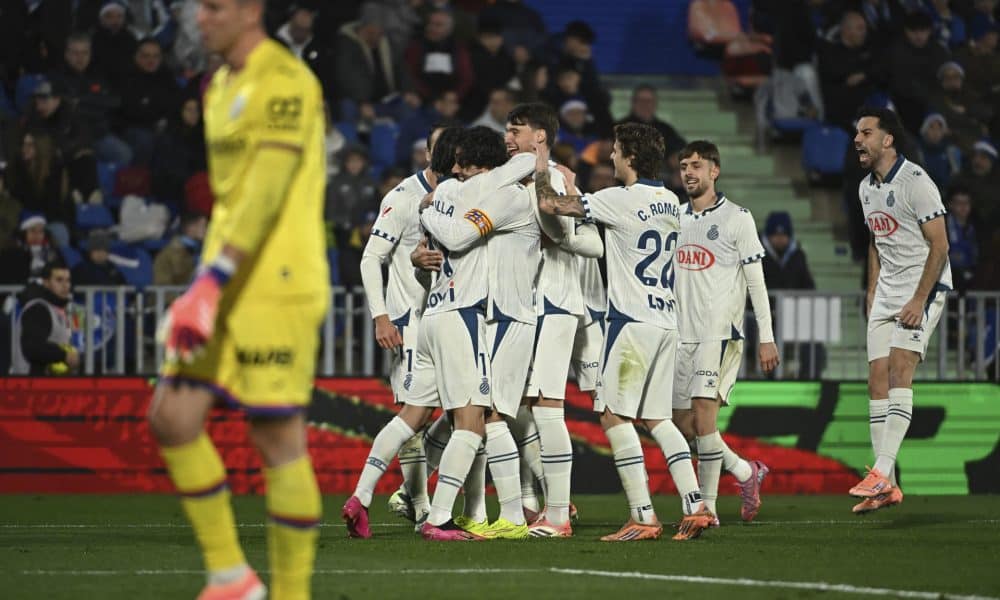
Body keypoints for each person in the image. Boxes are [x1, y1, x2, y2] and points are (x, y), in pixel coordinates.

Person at [147, 0, 329, 596]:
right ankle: (232, 577)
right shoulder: (219, 84)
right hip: (225, 279)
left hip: (277, 284)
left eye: (214, 6)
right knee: (171, 417)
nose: (200, 18)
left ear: (251, 11)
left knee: (276, 437)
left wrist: (208, 280)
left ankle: (291, 593)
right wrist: (205, 282)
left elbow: (266, 194)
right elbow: (229, 203)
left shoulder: (286, 81)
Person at [534, 123, 713, 541]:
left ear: (629, 156)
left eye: (614, 151)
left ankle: (643, 515)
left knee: (611, 412)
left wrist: (544, 164)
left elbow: (550, 204)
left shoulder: (617, 199)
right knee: (656, 417)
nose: (611, 158)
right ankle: (695, 503)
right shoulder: (670, 201)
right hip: (667, 322)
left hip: (631, 322)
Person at [342, 125, 457, 537]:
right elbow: (371, 259)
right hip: (410, 322)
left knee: (454, 413)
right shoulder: (403, 198)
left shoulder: (462, 194)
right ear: (427, 154)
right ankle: (422, 508)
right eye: (438, 149)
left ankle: (412, 500)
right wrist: (381, 316)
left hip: (451, 320)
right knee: (418, 413)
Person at [505, 102, 603, 536]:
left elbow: (569, 235)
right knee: (526, 408)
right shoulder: (513, 176)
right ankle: (545, 502)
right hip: (527, 306)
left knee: (547, 407)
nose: (508, 136)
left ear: (539, 137)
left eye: (516, 130)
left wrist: (542, 179)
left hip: (554, 303)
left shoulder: (557, 177)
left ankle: (558, 514)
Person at [850, 106, 953, 514]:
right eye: (857, 133)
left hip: (921, 287)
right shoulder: (865, 188)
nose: (858, 139)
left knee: (898, 370)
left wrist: (917, 299)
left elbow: (941, 246)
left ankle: (881, 468)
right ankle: (886, 486)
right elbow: (876, 242)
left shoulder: (916, 181)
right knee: (876, 379)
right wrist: (872, 288)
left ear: (887, 139)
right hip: (889, 289)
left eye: (866, 132)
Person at [671, 140, 779, 527]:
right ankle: (747, 472)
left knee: (703, 418)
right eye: (684, 165)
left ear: (714, 171)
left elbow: (757, 283)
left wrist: (766, 335)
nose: (688, 172)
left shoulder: (737, 218)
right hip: (679, 334)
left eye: (696, 165)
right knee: (680, 422)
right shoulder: (675, 218)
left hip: (718, 333)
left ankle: (709, 509)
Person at [760, 211, 823, 379]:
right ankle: (768, 380)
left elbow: (809, 288)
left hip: (792, 316)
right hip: (762, 318)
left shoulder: (797, 256)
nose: (780, 239)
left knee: (814, 337)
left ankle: (809, 379)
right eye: (776, 235)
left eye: (784, 235)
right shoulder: (756, 256)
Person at [116, 37, 181, 166]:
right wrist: (156, 114)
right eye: (146, 56)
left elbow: (176, 103)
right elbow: (130, 110)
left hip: (162, 126)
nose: (151, 60)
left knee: (172, 140)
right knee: (145, 140)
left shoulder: (166, 76)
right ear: (136, 57)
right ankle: (139, 181)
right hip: (134, 128)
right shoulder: (127, 78)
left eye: (156, 56)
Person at [10, 260, 78, 376]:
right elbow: (32, 347)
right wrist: (64, 355)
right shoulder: (38, 309)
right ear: (46, 283)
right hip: (32, 386)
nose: (65, 285)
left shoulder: (56, 309)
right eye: (59, 280)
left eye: (68, 280)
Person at [817, 11, 880, 132]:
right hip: (842, 113)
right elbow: (837, 74)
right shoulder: (830, 52)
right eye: (860, 29)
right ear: (846, 30)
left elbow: (881, 69)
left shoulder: (866, 50)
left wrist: (863, 74)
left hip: (868, 107)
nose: (864, 33)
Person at [616, 84, 687, 177]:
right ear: (633, 103)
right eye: (641, 101)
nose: (645, 105)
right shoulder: (620, 127)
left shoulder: (665, 129)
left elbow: (680, 149)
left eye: (649, 101)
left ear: (655, 104)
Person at [403, 9, 473, 102]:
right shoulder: (415, 48)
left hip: (452, 101)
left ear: (449, 29)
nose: (432, 28)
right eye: (430, 24)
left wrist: (456, 94)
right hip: (420, 99)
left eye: (438, 25)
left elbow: (466, 77)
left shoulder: (459, 49)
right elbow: (411, 76)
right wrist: (431, 97)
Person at [0, 213, 64, 285]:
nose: (37, 235)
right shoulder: (11, 253)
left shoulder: (53, 253)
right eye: (32, 231)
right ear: (23, 233)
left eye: (41, 231)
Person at [153, 212, 207, 286]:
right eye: (202, 226)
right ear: (190, 228)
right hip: (169, 294)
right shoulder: (175, 250)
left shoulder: (197, 249)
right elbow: (182, 277)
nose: (206, 230)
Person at [944, 186, 979, 293]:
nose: (963, 207)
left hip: (970, 277)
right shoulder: (943, 226)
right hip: (949, 278)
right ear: (950, 205)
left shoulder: (976, 225)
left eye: (966, 203)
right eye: (959, 203)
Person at [916, 113, 962, 191]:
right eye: (932, 127)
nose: (936, 132)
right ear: (924, 129)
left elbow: (955, 176)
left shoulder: (950, 152)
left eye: (939, 128)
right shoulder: (917, 150)